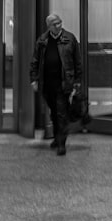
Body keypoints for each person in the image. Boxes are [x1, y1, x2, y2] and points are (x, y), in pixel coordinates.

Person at [29, 13, 82, 156]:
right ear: (49, 26)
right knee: (54, 111)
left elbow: (78, 62)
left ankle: (61, 143)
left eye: (59, 22)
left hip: (63, 83)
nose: (58, 25)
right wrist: (34, 79)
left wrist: (77, 82)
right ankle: (57, 137)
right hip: (47, 84)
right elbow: (35, 61)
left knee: (61, 113)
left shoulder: (70, 39)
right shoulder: (42, 40)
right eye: (55, 23)